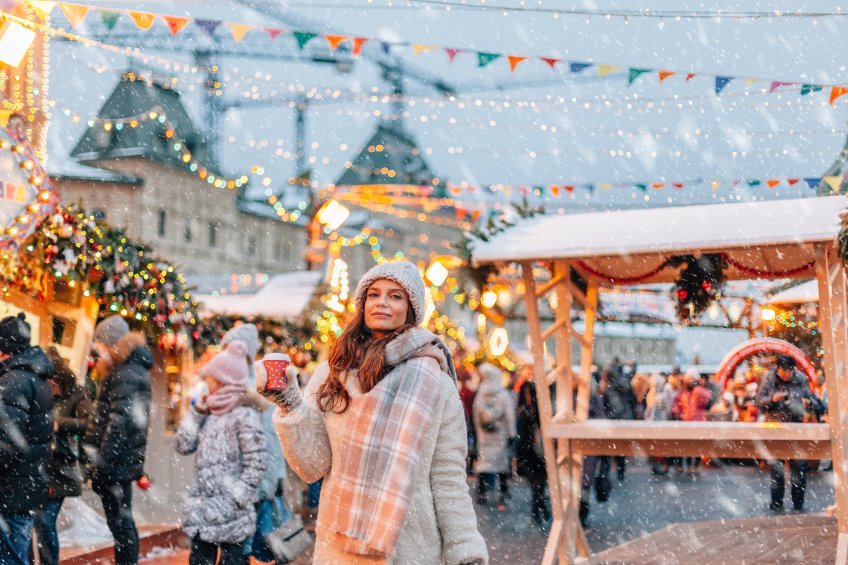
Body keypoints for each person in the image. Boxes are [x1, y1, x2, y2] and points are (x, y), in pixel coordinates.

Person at [271, 260, 488, 564]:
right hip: (342, 549)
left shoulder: (436, 383)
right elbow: (312, 465)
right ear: (362, 304)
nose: (382, 302)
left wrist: (464, 546)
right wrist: (289, 404)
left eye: (395, 296)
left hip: (412, 547)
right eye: (374, 294)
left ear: (411, 309)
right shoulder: (333, 375)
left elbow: (447, 477)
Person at [176, 341, 267, 565]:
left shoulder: (244, 415)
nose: (206, 381)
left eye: (210, 377)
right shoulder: (207, 411)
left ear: (222, 380)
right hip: (202, 514)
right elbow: (183, 444)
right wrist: (196, 412)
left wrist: (236, 497)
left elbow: (257, 462)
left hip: (232, 516)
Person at [83, 316, 152, 565]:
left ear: (112, 343)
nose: (98, 350)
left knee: (122, 526)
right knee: (121, 525)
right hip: (119, 462)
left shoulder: (126, 374)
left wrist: (101, 463)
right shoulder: (128, 370)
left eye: (101, 344)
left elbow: (118, 423)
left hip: (116, 464)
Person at [220, 325, 291, 559]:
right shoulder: (237, 383)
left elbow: (270, 439)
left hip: (246, 484)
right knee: (240, 549)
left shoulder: (253, 387)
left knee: (238, 550)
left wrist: (271, 480)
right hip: (242, 484)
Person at [0, 313, 53, 565]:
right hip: (25, 486)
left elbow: (7, 442)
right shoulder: (35, 376)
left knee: (10, 556)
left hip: (11, 489)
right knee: (19, 552)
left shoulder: (14, 380)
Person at [33, 348, 92, 565]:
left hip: (61, 466)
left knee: (45, 520)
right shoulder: (39, 391)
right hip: (38, 466)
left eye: (53, 384)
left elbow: (88, 424)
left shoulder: (77, 392)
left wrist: (61, 425)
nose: (51, 389)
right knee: (35, 523)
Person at [756, 355, 824, 511]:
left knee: (799, 468)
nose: (786, 374)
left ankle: (798, 503)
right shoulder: (770, 379)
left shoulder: (800, 379)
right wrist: (773, 398)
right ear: (777, 369)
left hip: (796, 428)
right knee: (777, 468)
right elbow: (759, 401)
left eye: (789, 371)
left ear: (793, 370)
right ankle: (776, 502)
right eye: (782, 371)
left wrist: (809, 403)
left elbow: (815, 402)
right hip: (776, 428)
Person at [473, 362, 516, 510]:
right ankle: (503, 492)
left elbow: (476, 414)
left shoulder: (481, 393)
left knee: (484, 463)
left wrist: (478, 430)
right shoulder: (502, 394)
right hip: (500, 433)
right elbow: (510, 415)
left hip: (485, 435)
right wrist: (512, 434)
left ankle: (482, 492)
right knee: (502, 465)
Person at [515, 381, 549, 526]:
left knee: (539, 483)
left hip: (539, 452)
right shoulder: (522, 411)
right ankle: (540, 509)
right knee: (535, 484)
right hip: (528, 452)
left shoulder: (539, 411)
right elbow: (521, 433)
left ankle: (539, 509)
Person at [598, 359, 634, 482]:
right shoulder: (618, 384)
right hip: (617, 421)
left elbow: (614, 407)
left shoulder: (608, 387)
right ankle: (618, 473)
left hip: (612, 422)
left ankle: (607, 473)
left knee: (609, 450)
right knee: (618, 449)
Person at [671, 370, 712, 476]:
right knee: (687, 444)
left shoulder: (698, 391)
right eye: (688, 379)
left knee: (698, 445)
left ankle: (695, 466)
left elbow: (707, 398)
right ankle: (688, 466)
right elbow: (677, 403)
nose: (690, 381)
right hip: (686, 422)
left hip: (698, 422)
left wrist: (697, 387)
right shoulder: (683, 392)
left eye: (692, 379)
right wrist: (676, 412)